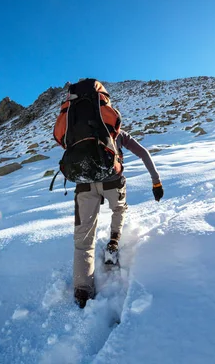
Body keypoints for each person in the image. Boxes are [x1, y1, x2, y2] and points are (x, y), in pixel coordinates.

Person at [72, 130, 163, 308]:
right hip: (113, 181)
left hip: (84, 185)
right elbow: (143, 152)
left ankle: (82, 290)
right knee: (119, 208)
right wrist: (156, 181)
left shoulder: (75, 128)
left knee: (83, 237)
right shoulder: (115, 131)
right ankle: (113, 241)